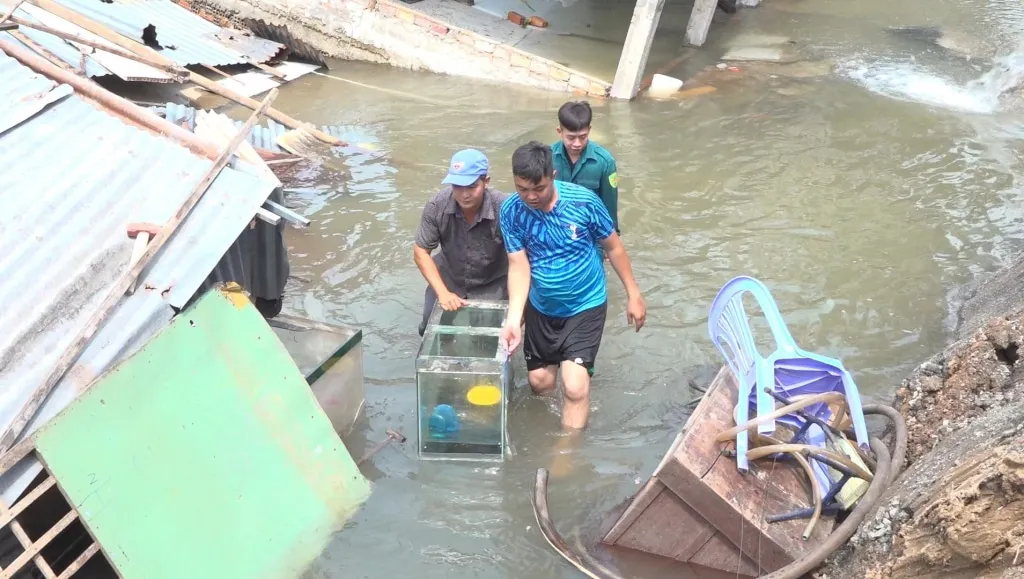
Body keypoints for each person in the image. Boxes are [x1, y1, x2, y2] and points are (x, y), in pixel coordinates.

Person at [498, 141, 646, 431]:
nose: (530, 196)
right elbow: (519, 266)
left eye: (538, 188)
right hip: (542, 306)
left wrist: (634, 294)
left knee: (575, 387)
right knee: (540, 384)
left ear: (553, 175)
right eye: (522, 188)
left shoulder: (585, 202)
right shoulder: (511, 212)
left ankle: (567, 456)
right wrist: (514, 319)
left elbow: (614, 247)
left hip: (586, 303)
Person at [414, 149, 509, 336]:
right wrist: (443, 293)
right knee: (430, 329)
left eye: (472, 186)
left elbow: (522, 259)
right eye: (457, 186)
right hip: (449, 277)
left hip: (492, 283)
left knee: (486, 340)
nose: (464, 194)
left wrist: (518, 308)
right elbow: (420, 252)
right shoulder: (436, 206)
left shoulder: (505, 209)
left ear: (486, 182)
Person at [551, 101, 620, 235]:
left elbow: (610, 206)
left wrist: (613, 238)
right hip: (556, 232)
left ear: (589, 130)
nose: (577, 143)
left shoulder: (605, 162)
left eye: (583, 137)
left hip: (590, 233)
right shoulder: (547, 158)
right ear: (560, 132)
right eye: (571, 138)